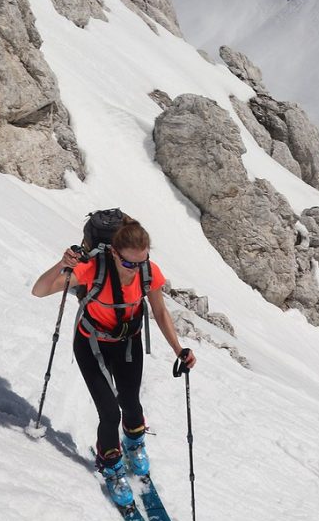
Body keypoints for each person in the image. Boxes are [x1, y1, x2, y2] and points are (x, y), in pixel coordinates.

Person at [32, 217, 196, 506]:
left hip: (127, 343)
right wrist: (63, 264)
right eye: (129, 263)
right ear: (115, 254)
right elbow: (40, 290)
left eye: (141, 261)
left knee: (132, 404)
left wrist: (178, 349)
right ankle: (111, 463)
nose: (135, 269)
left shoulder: (147, 271)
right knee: (110, 412)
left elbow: (159, 311)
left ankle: (134, 444)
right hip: (91, 343)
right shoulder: (93, 268)